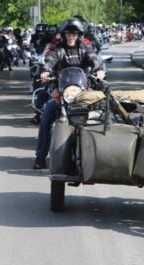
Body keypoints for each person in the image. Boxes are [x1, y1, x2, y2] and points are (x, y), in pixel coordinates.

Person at [33, 19, 104, 169]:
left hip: (82, 91)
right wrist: (46, 71)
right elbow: (50, 60)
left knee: (101, 113)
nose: (71, 37)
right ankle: (40, 157)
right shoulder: (57, 49)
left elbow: (93, 58)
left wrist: (98, 69)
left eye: (74, 34)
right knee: (46, 118)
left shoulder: (85, 48)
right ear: (64, 35)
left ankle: (99, 155)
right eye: (68, 34)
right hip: (61, 91)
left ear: (78, 35)